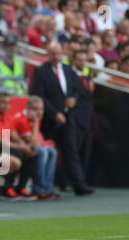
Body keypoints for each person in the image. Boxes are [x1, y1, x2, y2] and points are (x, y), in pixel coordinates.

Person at [31, 42, 94, 196]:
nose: (56, 57)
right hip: (49, 121)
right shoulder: (41, 71)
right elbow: (40, 96)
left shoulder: (67, 69)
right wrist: (54, 113)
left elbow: (79, 90)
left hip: (68, 118)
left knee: (72, 151)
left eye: (59, 54)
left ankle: (79, 185)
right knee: (48, 151)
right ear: (48, 54)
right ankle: (45, 186)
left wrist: (74, 100)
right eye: (53, 54)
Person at [0, 92, 37, 201]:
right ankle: (6, 189)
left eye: (8, 103)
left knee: (32, 155)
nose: (5, 105)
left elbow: (15, 136)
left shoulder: (8, 117)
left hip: (5, 148)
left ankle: (20, 188)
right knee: (19, 154)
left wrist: (26, 147)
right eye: (2, 102)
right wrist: (22, 147)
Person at [13, 96, 60, 200]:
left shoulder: (35, 120)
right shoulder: (22, 119)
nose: (39, 112)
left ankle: (48, 188)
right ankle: (38, 189)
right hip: (19, 149)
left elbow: (37, 141)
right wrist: (35, 123)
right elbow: (33, 143)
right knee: (42, 152)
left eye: (41, 109)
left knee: (52, 151)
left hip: (30, 148)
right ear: (28, 108)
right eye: (36, 109)